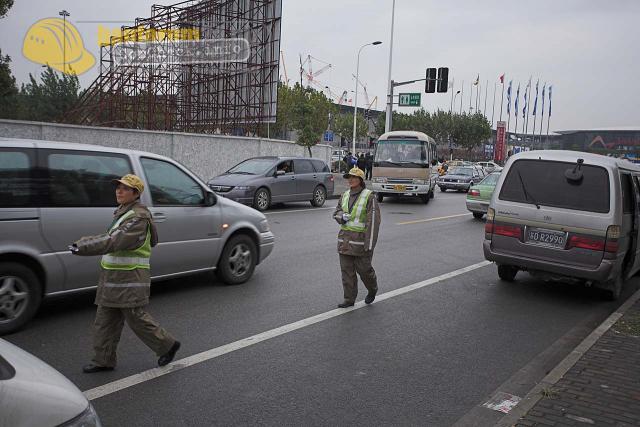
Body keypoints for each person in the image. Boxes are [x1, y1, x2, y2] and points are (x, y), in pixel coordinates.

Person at [70, 174, 180, 373]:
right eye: (118, 187)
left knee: (135, 318)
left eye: (125, 188)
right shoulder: (123, 212)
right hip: (113, 279)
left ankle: (167, 345)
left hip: (130, 280)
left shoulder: (137, 217)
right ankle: (102, 360)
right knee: (104, 321)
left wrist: (83, 245)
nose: (118, 191)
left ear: (135, 193)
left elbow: (113, 240)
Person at [332, 167, 381, 308]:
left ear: (360, 180)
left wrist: (369, 244)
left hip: (361, 243)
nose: (351, 179)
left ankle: (372, 289)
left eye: (354, 177)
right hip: (345, 241)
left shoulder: (369, 196)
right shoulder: (345, 195)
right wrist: (341, 216)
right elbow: (336, 212)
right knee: (347, 272)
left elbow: (373, 222)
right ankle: (349, 299)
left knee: (364, 270)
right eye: (349, 177)